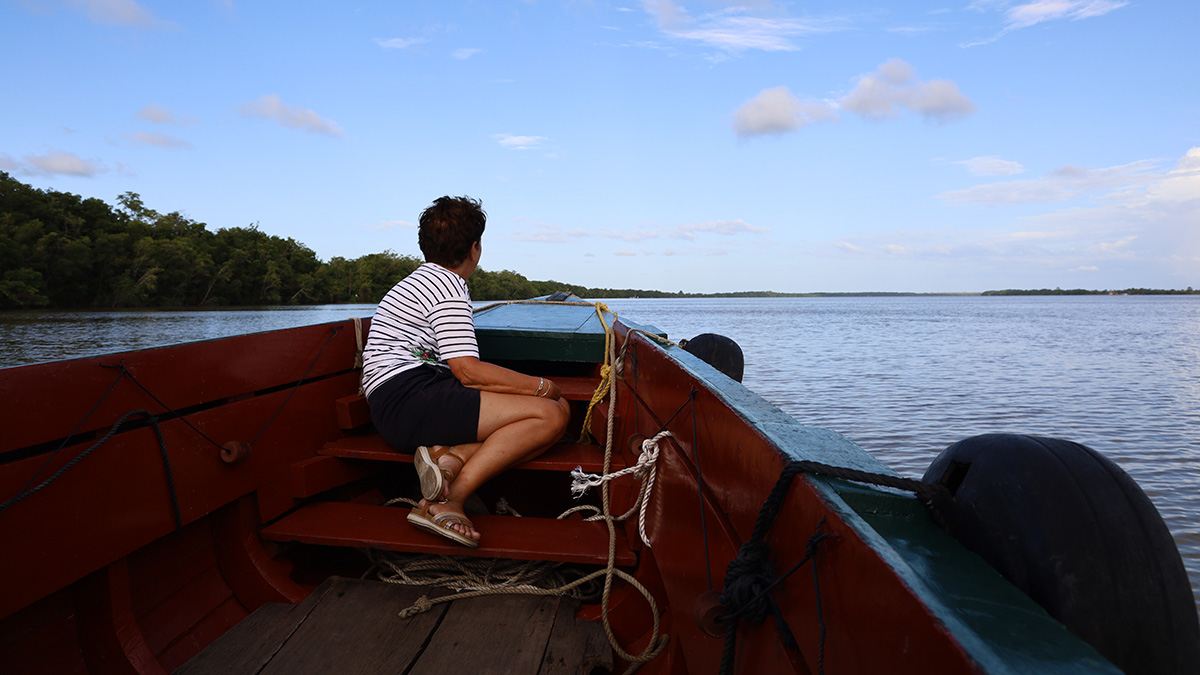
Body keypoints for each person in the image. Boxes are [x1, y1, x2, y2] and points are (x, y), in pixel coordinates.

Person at [361, 196, 570, 548]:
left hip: (397, 402)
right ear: (475, 248)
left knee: (559, 410)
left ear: (425, 245)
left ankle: (449, 459)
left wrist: (539, 392)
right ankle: (449, 499)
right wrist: (541, 385)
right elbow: (468, 372)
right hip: (410, 400)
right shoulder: (449, 287)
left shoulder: (415, 281)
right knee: (550, 415)